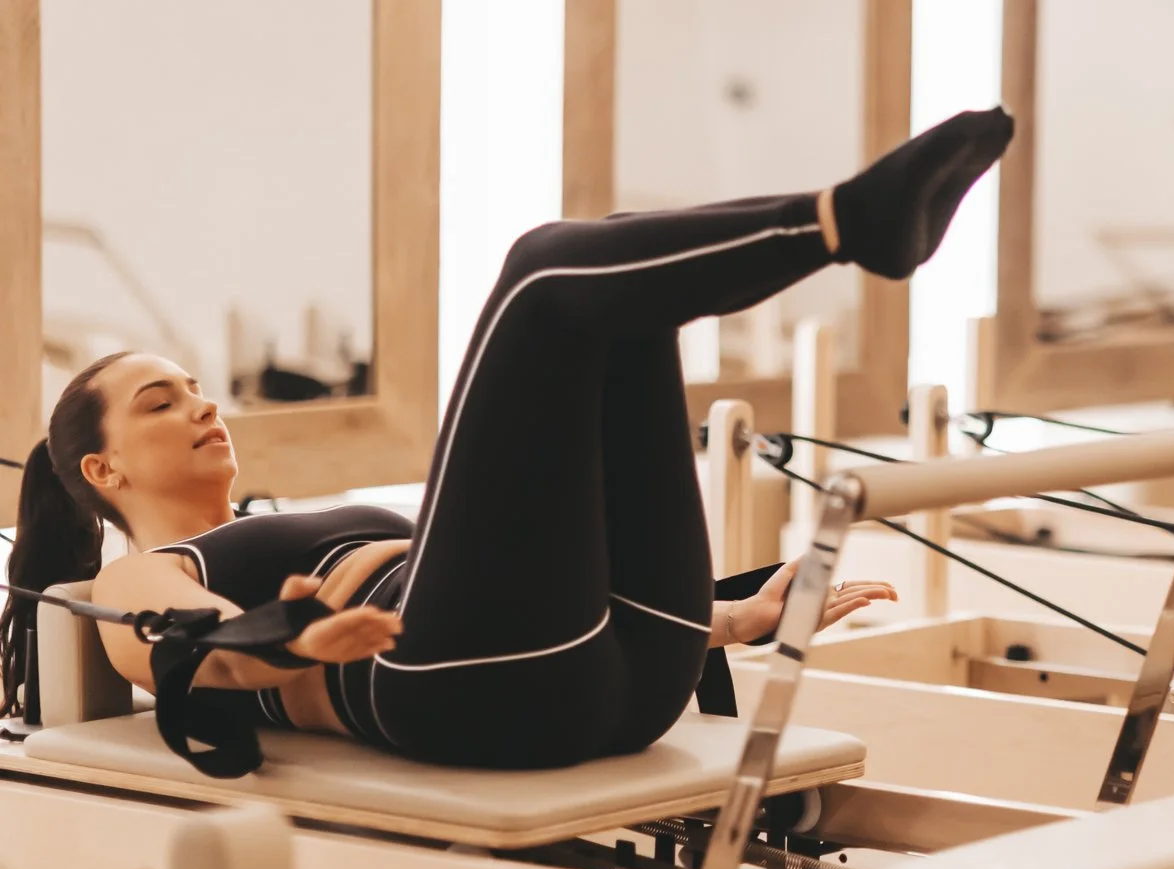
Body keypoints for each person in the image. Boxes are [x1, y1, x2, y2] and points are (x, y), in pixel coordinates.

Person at [0, 107, 1015, 768]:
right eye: (158, 403)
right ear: (105, 468)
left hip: (624, 664)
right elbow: (183, 644)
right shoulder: (133, 578)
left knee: (619, 282)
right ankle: (847, 222)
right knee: (544, 270)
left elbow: (529, 581)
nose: (201, 406)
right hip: (470, 688)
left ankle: (851, 222)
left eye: (192, 388)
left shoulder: (290, 528)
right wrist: (293, 643)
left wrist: (728, 620)